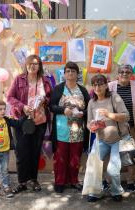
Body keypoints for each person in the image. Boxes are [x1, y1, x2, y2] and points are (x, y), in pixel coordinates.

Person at [6, 54, 52, 193]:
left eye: (35, 63)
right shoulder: (19, 79)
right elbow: (10, 97)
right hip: (21, 121)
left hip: (39, 122)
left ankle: (33, 180)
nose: (32, 66)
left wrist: (44, 101)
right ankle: (22, 182)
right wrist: (22, 107)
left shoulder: (44, 81)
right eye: (30, 63)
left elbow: (50, 98)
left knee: (35, 152)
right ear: (26, 65)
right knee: (21, 152)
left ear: (39, 66)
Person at [87, 74, 129, 202]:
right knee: (94, 165)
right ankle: (96, 192)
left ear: (106, 85)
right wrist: (92, 126)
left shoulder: (114, 97)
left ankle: (116, 191)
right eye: (94, 84)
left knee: (113, 169)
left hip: (118, 139)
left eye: (100, 84)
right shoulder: (91, 102)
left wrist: (109, 114)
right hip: (101, 139)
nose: (97, 87)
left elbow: (126, 116)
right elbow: (89, 122)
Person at [50, 61, 90, 193]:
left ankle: (74, 181)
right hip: (61, 129)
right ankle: (60, 182)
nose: (70, 73)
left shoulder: (82, 90)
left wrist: (82, 113)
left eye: (73, 71)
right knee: (60, 158)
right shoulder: (58, 88)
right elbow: (51, 106)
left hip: (77, 129)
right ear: (64, 74)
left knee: (75, 157)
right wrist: (63, 110)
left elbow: (89, 108)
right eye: (68, 71)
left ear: (77, 74)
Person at [108, 64, 135, 192]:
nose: (124, 74)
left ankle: (131, 180)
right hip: (114, 127)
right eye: (121, 71)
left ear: (131, 74)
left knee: (130, 154)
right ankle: (112, 181)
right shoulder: (111, 86)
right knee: (113, 155)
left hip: (131, 127)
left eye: (127, 72)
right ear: (118, 73)